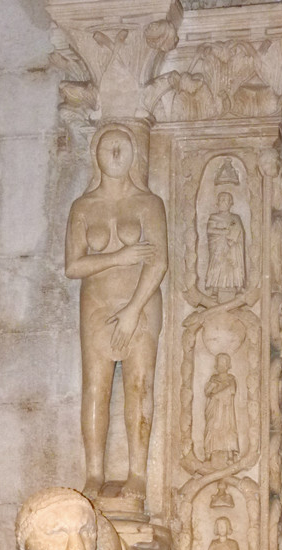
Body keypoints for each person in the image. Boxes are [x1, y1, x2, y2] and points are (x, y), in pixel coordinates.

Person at [65, 125, 168, 502]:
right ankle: (94, 475)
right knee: (95, 388)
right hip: (96, 305)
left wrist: (131, 310)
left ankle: (137, 474)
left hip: (139, 304)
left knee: (139, 386)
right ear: (95, 153)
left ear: (133, 154)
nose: (114, 153)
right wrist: (119, 257)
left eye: (121, 146)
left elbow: (158, 263)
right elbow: (73, 266)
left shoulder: (148, 203)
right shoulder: (84, 206)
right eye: (107, 146)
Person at [206, 192, 246, 300]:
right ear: (217, 203)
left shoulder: (235, 218)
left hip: (233, 246)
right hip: (218, 247)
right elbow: (210, 230)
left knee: (235, 261)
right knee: (217, 264)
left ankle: (238, 287)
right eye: (221, 199)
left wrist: (232, 239)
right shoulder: (214, 217)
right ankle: (215, 290)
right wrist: (224, 232)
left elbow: (240, 232)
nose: (224, 201)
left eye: (227, 199)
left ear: (231, 203)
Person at [204, 354, 239, 464]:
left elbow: (232, 390)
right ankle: (208, 454)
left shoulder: (231, 378)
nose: (220, 366)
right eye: (219, 363)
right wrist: (211, 387)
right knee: (211, 428)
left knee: (227, 430)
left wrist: (217, 394)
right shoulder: (213, 378)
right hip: (214, 409)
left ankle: (230, 455)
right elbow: (207, 392)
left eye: (223, 363)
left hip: (226, 411)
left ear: (228, 365)